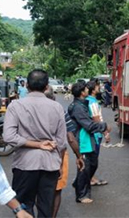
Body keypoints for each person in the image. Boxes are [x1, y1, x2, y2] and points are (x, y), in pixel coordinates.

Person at [3, 69, 67, 217]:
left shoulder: (15, 106)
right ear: (46, 87)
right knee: (46, 206)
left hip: (25, 165)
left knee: (24, 206)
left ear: (26, 85)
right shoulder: (56, 107)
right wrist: (60, 165)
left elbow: (9, 137)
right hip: (50, 164)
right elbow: (62, 142)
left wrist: (34, 144)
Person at [43, 87, 84, 218]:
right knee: (56, 190)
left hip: (36, 155)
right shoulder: (59, 110)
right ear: (53, 98)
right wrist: (79, 156)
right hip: (58, 155)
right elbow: (70, 138)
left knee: (40, 191)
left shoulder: (28, 110)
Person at [68, 82, 110, 204]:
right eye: (86, 88)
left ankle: (80, 185)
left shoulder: (83, 104)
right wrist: (104, 127)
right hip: (83, 141)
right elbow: (88, 125)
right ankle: (81, 195)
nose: (88, 89)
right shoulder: (78, 107)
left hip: (88, 140)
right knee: (84, 167)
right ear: (82, 92)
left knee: (92, 165)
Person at [86, 80, 110, 187]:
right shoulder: (93, 102)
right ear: (93, 89)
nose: (99, 87)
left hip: (92, 133)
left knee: (90, 159)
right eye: (97, 86)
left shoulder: (88, 101)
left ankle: (90, 178)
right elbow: (96, 119)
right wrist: (105, 132)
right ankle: (86, 180)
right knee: (93, 160)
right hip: (96, 134)